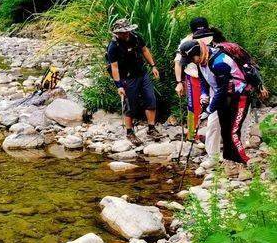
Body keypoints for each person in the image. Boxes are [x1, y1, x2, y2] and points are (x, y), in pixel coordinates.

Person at [179, 39, 254, 172]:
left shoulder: (219, 63)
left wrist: (208, 110)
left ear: (197, 53)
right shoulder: (201, 60)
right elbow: (204, 78)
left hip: (237, 95)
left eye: (191, 59)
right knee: (214, 126)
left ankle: (241, 163)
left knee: (234, 130)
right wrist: (204, 94)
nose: (191, 62)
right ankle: (214, 158)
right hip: (221, 94)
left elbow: (222, 90)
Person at [106, 19, 161, 145]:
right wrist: (118, 85)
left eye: (127, 31)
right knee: (130, 104)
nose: (126, 34)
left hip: (142, 73)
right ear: (117, 33)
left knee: (150, 99)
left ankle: (151, 128)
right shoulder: (113, 46)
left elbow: (144, 50)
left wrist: (153, 65)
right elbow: (114, 67)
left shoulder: (136, 37)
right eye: (122, 33)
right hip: (127, 78)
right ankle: (129, 132)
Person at [174, 18, 215, 142]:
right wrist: (179, 83)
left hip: (212, 76)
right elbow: (178, 63)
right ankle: (192, 135)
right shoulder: (186, 42)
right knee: (194, 106)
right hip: (194, 77)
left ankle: (216, 136)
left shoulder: (212, 38)